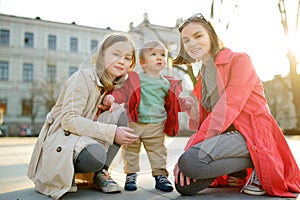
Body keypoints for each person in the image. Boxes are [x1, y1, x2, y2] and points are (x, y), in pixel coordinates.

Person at [172, 13, 300, 197]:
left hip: (252, 132)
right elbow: (204, 121)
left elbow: (228, 107)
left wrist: (190, 150)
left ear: (211, 37)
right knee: (185, 186)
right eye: (186, 40)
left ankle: (260, 163)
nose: (192, 43)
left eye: (198, 36)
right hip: (227, 137)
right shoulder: (202, 78)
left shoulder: (239, 61)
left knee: (189, 162)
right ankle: (241, 168)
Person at [27, 32, 138, 200]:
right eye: (116, 54)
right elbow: (69, 120)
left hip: (80, 138)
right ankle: (63, 171)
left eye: (127, 57)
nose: (122, 60)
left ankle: (101, 174)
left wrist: (106, 110)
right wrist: (112, 132)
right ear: (101, 55)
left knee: (120, 116)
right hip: (61, 139)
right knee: (96, 154)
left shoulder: (114, 85)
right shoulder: (82, 77)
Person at [103, 40, 194, 192]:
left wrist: (185, 103)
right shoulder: (135, 79)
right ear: (143, 63)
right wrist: (112, 98)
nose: (160, 58)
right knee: (131, 151)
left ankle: (160, 177)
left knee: (158, 151)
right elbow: (123, 93)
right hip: (135, 124)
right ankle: (131, 175)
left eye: (163, 55)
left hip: (156, 125)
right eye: (154, 54)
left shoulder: (166, 83)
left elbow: (172, 104)